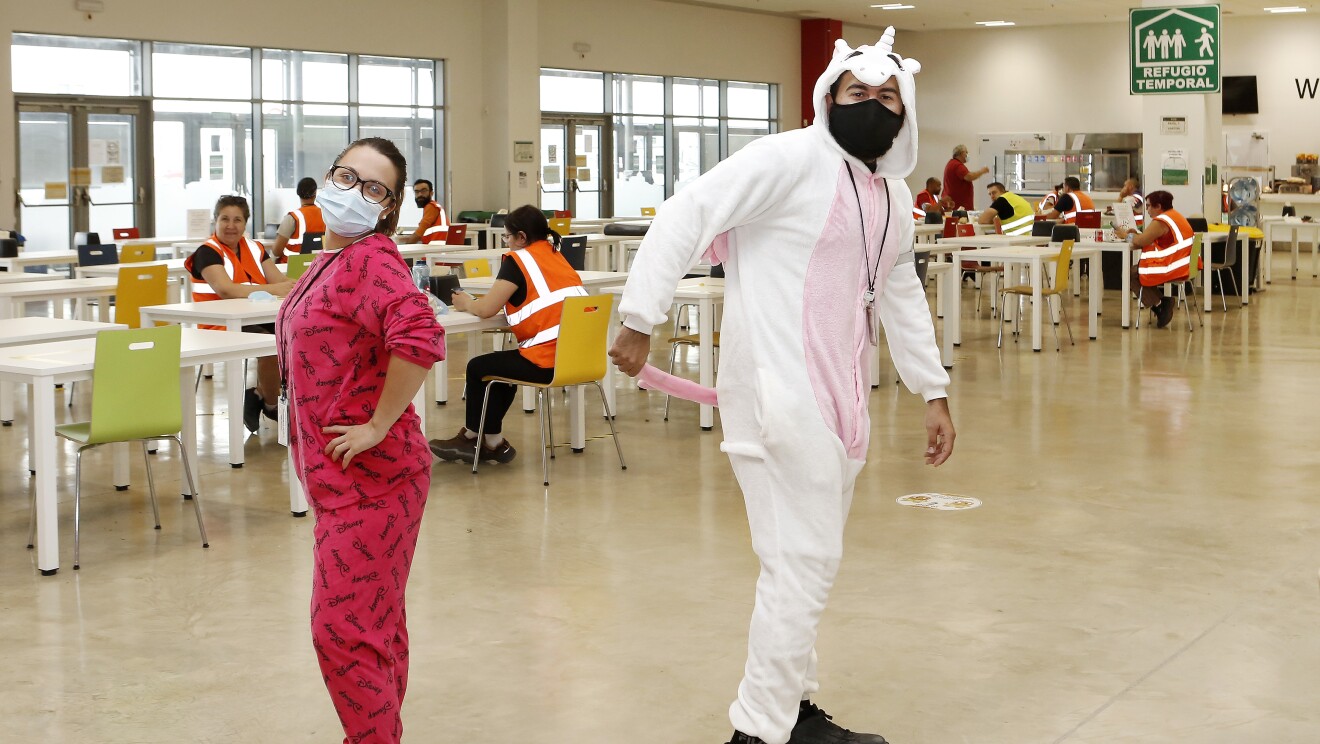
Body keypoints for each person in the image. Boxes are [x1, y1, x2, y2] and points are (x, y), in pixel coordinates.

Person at [608, 28, 954, 744]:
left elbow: (900, 291)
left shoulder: (891, 196)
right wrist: (640, 317)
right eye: (857, 91)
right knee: (806, 562)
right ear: (829, 97)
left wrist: (932, 390)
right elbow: (686, 212)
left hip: (844, 403)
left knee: (795, 563)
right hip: (778, 393)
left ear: (907, 110)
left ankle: (789, 710)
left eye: (887, 95)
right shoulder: (788, 159)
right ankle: (761, 729)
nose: (872, 104)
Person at [275, 137, 446, 744]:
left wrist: (377, 424)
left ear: (388, 206)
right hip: (342, 482)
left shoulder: (371, 259)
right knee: (374, 625)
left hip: (375, 482)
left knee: (342, 631)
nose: (353, 191)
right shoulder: (332, 257)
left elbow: (420, 337)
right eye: (346, 176)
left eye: (373, 187)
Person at [428, 205, 587, 464]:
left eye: (507, 236)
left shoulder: (518, 260)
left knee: (478, 367)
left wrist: (466, 302)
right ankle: (492, 442)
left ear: (521, 237)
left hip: (548, 361)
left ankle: (473, 439)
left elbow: (486, 309)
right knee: (500, 368)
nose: (507, 242)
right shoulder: (556, 255)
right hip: (578, 358)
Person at [184, 195, 294, 433]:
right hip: (219, 325)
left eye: (237, 220)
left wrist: (299, 286)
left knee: (296, 336)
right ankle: (272, 405)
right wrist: (275, 289)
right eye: (225, 219)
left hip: (254, 318)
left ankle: (259, 394)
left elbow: (280, 281)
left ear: (245, 224)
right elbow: (226, 289)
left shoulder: (255, 248)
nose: (230, 226)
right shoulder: (207, 252)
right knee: (272, 344)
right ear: (215, 221)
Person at [1114, 189, 1193, 329]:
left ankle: (1160, 305)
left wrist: (1125, 235)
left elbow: (1142, 241)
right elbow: (1149, 238)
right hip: (1185, 264)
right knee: (1136, 272)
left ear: (1158, 206)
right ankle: (1161, 303)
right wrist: (1135, 234)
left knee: (1131, 274)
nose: (1147, 209)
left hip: (1174, 266)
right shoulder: (1174, 216)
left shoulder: (1161, 221)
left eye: (1149, 206)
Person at [271, 177, 326, 262]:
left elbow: (276, 251)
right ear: (315, 193)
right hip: (318, 265)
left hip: (293, 266)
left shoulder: (292, 218)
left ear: (298, 192)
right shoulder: (326, 216)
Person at [396, 179, 448, 244]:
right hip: (438, 245)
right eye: (417, 192)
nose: (420, 194)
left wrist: (405, 246)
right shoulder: (436, 206)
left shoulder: (431, 207)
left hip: (436, 247)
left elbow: (419, 233)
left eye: (424, 191)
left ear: (431, 193)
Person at [942, 144, 989, 210]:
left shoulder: (952, 163)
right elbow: (969, 176)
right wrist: (982, 171)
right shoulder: (957, 165)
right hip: (958, 205)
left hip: (956, 203)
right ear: (962, 153)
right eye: (966, 152)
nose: (967, 155)